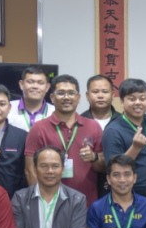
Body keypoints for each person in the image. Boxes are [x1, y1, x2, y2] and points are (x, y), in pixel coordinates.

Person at [25, 75, 105, 207]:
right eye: (61, 93)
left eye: (71, 93)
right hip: (50, 204)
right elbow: (30, 170)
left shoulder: (93, 126)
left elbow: (103, 167)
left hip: (87, 203)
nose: (66, 97)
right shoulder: (39, 128)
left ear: (78, 98)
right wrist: (40, 203)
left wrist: (93, 157)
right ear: (52, 98)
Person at [10, 147, 87, 228]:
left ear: (63, 169)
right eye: (44, 166)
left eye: (55, 166)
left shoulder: (77, 200)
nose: (49, 171)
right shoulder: (20, 198)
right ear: (35, 169)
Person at [102, 78, 146, 200]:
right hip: (125, 198)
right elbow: (114, 169)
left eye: (142, 98)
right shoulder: (113, 131)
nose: (138, 102)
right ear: (122, 102)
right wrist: (135, 148)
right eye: (132, 99)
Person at [81, 75, 120, 200]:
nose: (100, 96)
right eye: (95, 92)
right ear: (87, 95)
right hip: (85, 185)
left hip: (117, 187)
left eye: (105, 92)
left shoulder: (122, 122)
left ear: (113, 95)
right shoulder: (79, 122)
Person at [8, 65, 53, 132]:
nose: (35, 86)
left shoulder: (55, 112)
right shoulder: (7, 108)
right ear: (21, 84)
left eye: (40, 83)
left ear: (47, 87)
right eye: (30, 82)